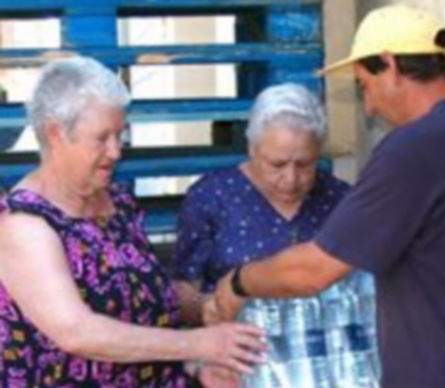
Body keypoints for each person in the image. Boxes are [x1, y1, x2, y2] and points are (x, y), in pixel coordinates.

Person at [206, 4, 445, 388]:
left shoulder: (415, 148)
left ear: (389, 63)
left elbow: (312, 272)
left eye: (364, 86)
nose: (368, 107)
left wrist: (238, 282)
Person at [0, 56, 265, 387]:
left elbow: (137, 295)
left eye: (120, 135)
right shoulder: (23, 225)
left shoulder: (116, 203)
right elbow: (76, 331)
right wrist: (199, 344)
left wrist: (205, 315)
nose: (116, 151)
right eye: (102, 137)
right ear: (55, 134)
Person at [171, 83, 351, 324]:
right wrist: (210, 309)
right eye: (277, 164)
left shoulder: (341, 200)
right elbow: (183, 289)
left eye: (305, 164)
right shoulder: (211, 196)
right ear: (252, 149)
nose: (291, 178)